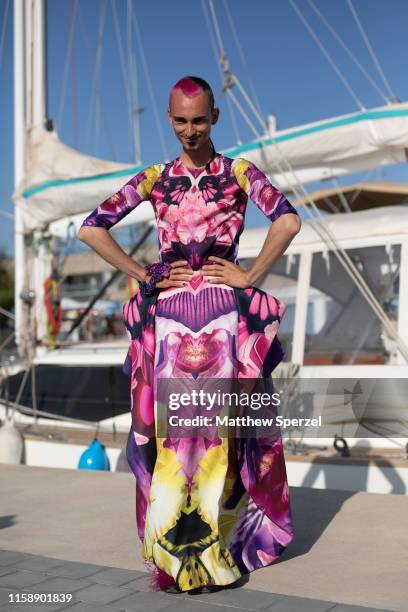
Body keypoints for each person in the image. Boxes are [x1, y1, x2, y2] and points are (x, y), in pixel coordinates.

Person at [78, 75, 302, 593]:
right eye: (180, 120)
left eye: (199, 120)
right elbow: (91, 228)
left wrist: (249, 276)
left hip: (222, 316)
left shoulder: (239, 172)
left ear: (215, 117)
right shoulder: (155, 177)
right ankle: (183, 555)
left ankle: (209, 551)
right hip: (171, 320)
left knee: (217, 435)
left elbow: (287, 223)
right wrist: (144, 274)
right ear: (169, 116)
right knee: (174, 440)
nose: (190, 130)